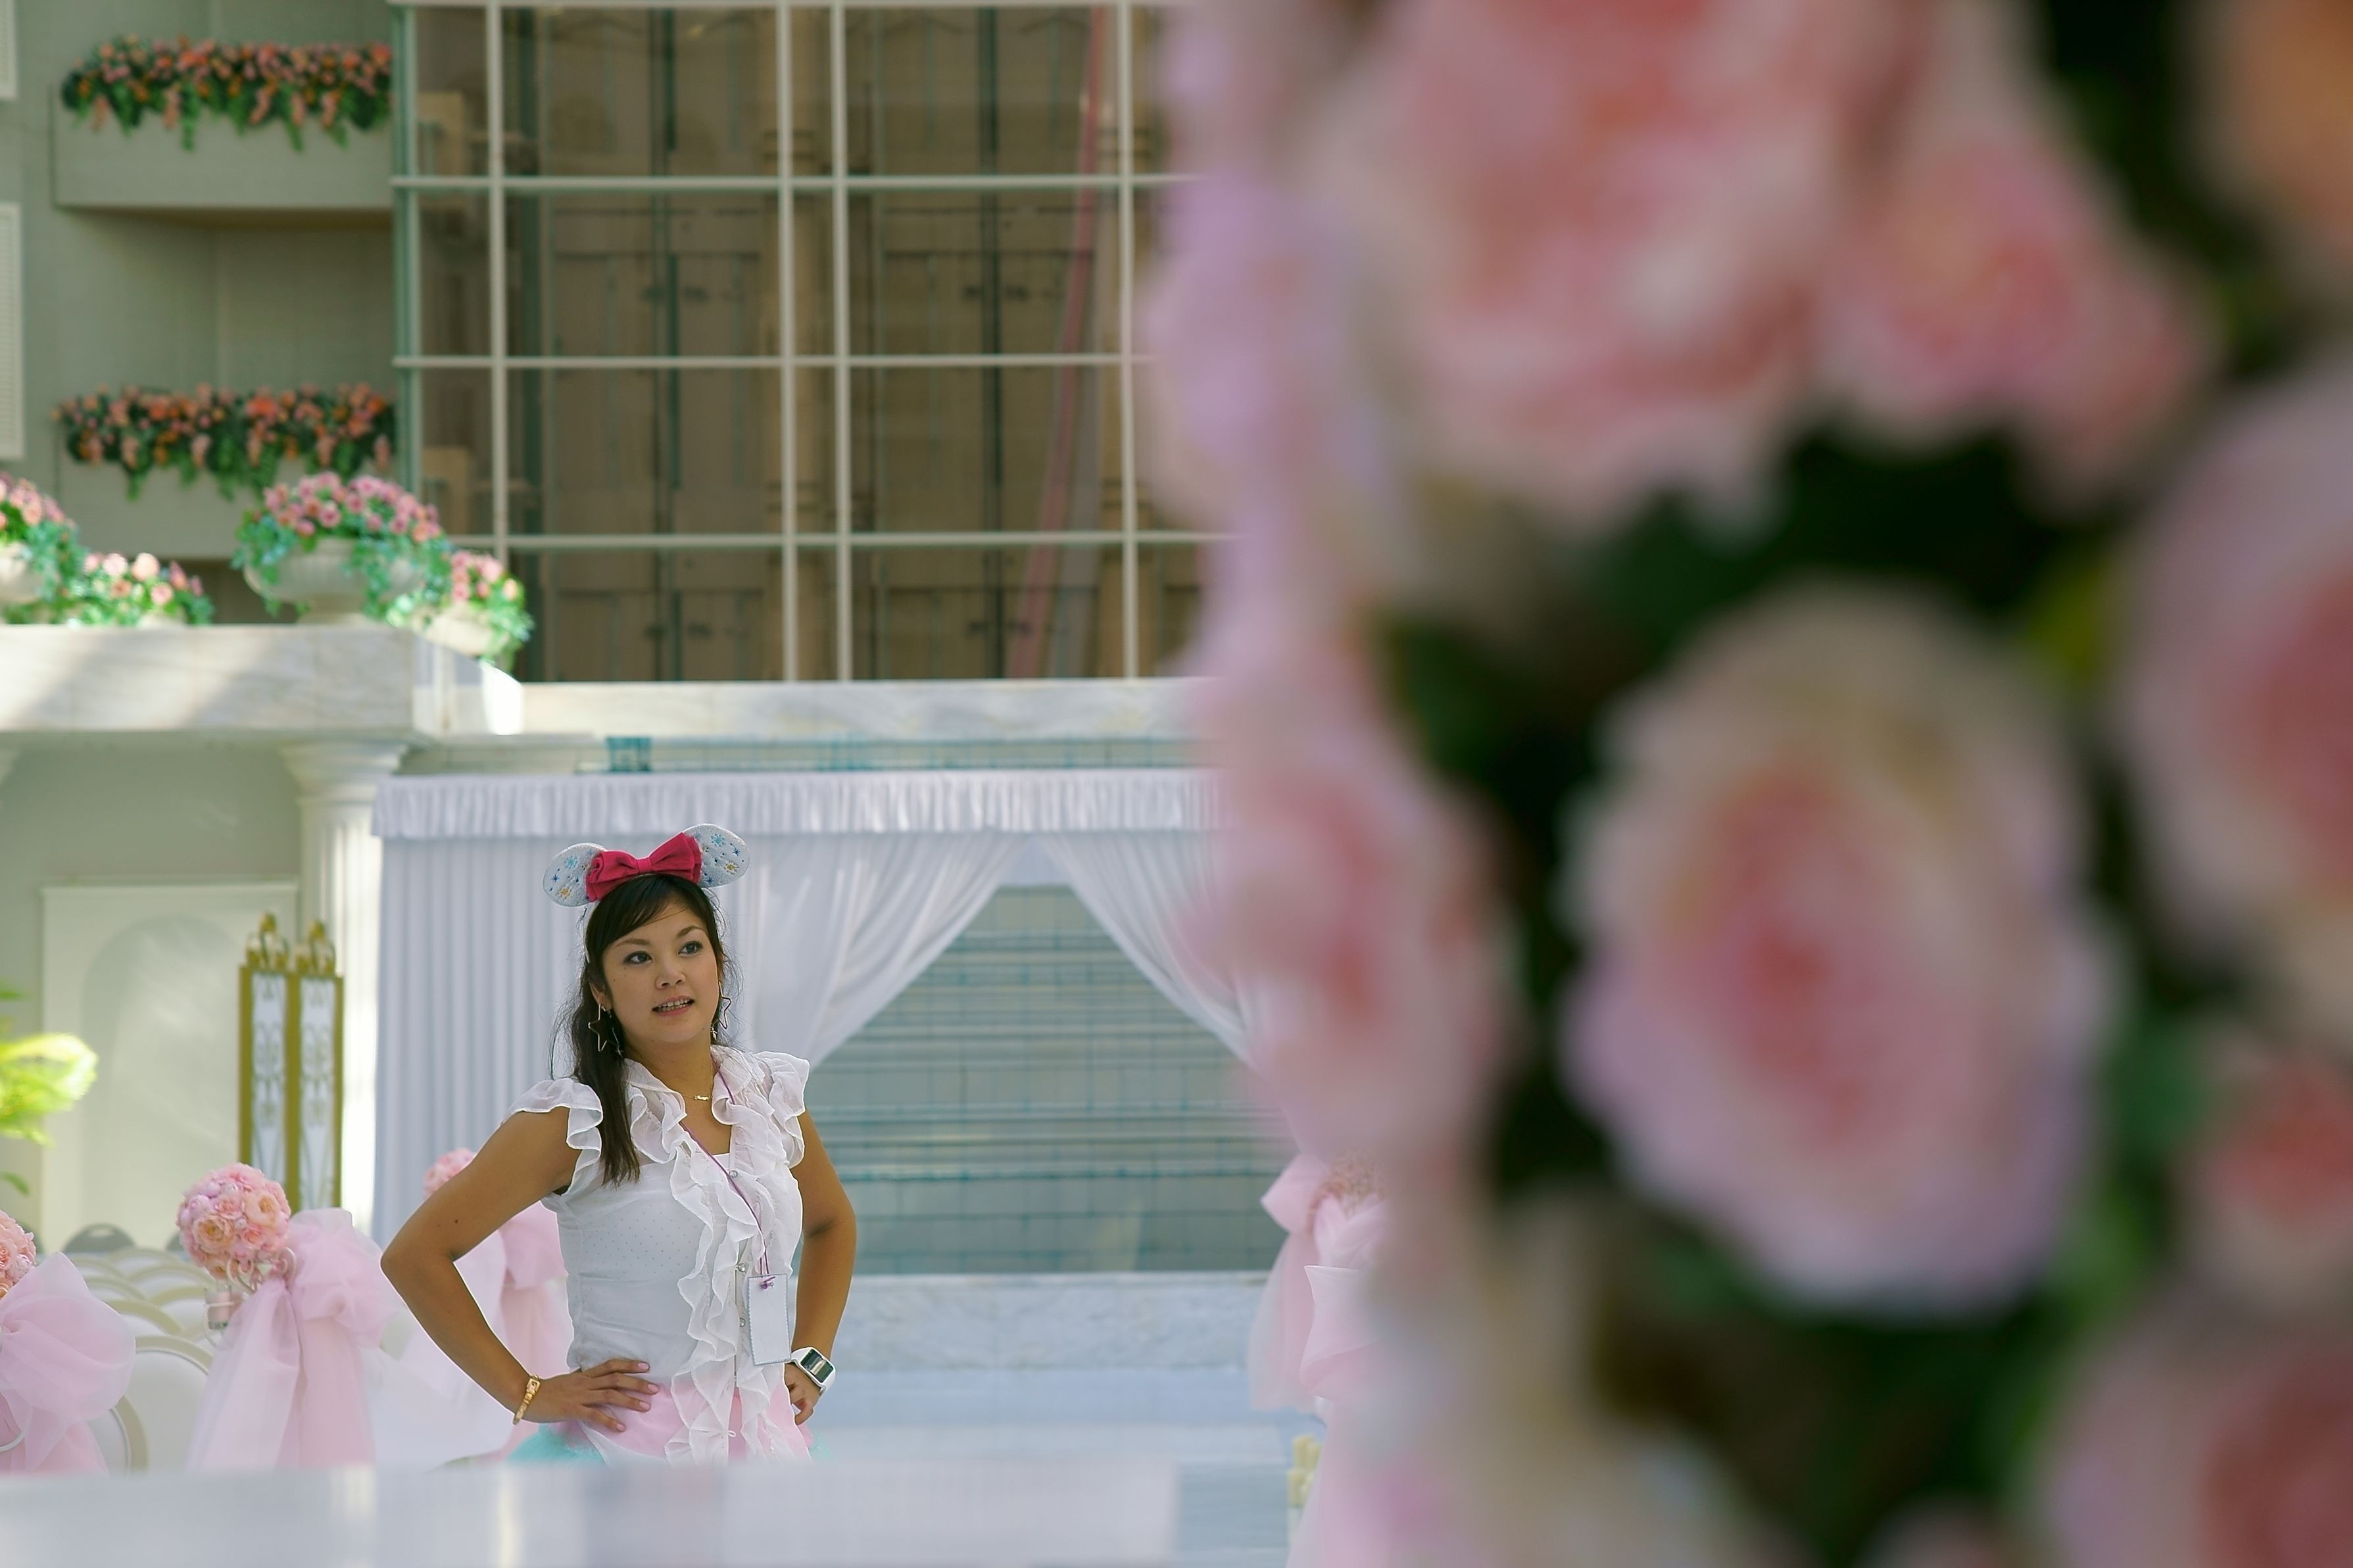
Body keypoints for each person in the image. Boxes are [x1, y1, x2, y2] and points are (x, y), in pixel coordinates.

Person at [385, 824, 856, 1464]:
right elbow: (415, 1256)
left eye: (689, 947)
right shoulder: (573, 1121)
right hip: (623, 1460)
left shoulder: (768, 1096)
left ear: (718, 966)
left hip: (767, 1447)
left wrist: (813, 1358)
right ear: (601, 991)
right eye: (638, 957)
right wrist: (526, 1392)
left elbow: (832, 1223)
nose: (670, 973)